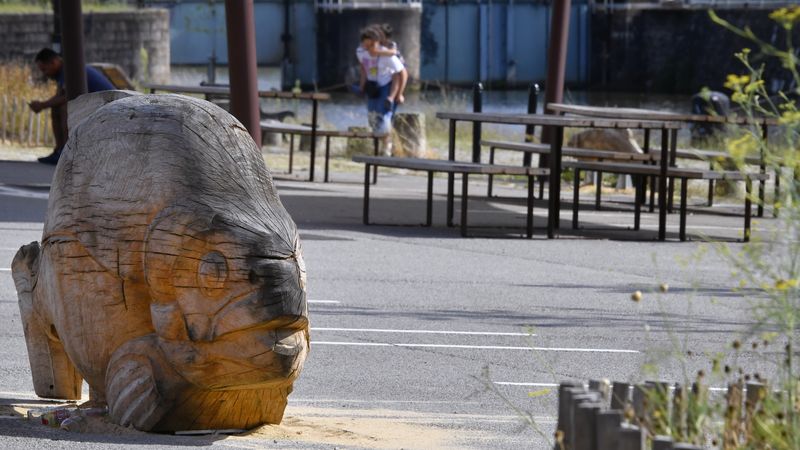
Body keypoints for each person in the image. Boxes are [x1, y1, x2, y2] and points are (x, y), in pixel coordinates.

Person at [29, 48, 116, 165]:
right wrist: (43, 104)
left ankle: (68, 151)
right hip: (96, 104)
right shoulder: (63, 72)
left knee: (66, 109)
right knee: (56, 108)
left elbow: (68, 97)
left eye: (45, 69)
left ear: (54, 62)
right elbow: (60, 95)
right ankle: (60, 151)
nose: (45, 73)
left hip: (107, 105)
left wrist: (42, 105)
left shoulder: (69, 69)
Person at [356, 27, 407, 155]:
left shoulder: (387, 55)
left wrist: (398, 94)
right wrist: (362, 86)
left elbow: (402, 73)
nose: (370, 49)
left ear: (378, 42)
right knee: (372, 116)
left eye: (372, 45)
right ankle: (381, 146)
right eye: (366, 46)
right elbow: (363, 67)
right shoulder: (361, 52)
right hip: (373, 86)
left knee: (384, 117)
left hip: (387, 86)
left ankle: (387, 148)